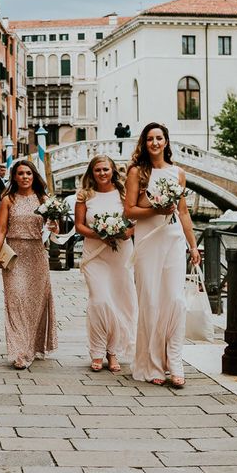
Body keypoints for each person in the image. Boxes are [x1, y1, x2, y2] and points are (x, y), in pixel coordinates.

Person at [124, 122, 200, 387]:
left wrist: (192, 245)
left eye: (159, 138)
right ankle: (153, 364)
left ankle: (175, 361)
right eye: (150, 139)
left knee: (176, 301)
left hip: (173, 240)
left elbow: (184, 213)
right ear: (144, 144)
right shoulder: (136, 172)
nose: (155, 143)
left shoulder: (178, 173)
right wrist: (155, 210)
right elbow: (129, 211)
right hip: (147, 241)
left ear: (166, 142)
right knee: (151, 302)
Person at [0, 159, 57, 369]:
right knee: (16, 300)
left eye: (28, 173)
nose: (25, 177)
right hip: (14, 254)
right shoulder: (8, 199)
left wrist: (54, 224)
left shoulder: (43, 199)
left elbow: (53, 228)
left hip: (37, 254)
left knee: (35, 303)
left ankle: (31, 345)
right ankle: (20, 351)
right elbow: (1, 228)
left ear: (34, 176)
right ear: (14, 177)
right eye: (20, 173)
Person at [74, 155, 137, 373]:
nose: (102, 173)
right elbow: (79, 226)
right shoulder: (84, 196)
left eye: (106, 170)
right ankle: (97, 351)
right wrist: (100, 234)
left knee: (118, 302)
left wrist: (128, 231)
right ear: (92, 173)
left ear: (112, 172)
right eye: (98, 170)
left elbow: (134, 221)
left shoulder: (123, 194)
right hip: (95, 254)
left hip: (120, 255)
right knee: (100, 301)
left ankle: (113, 351)